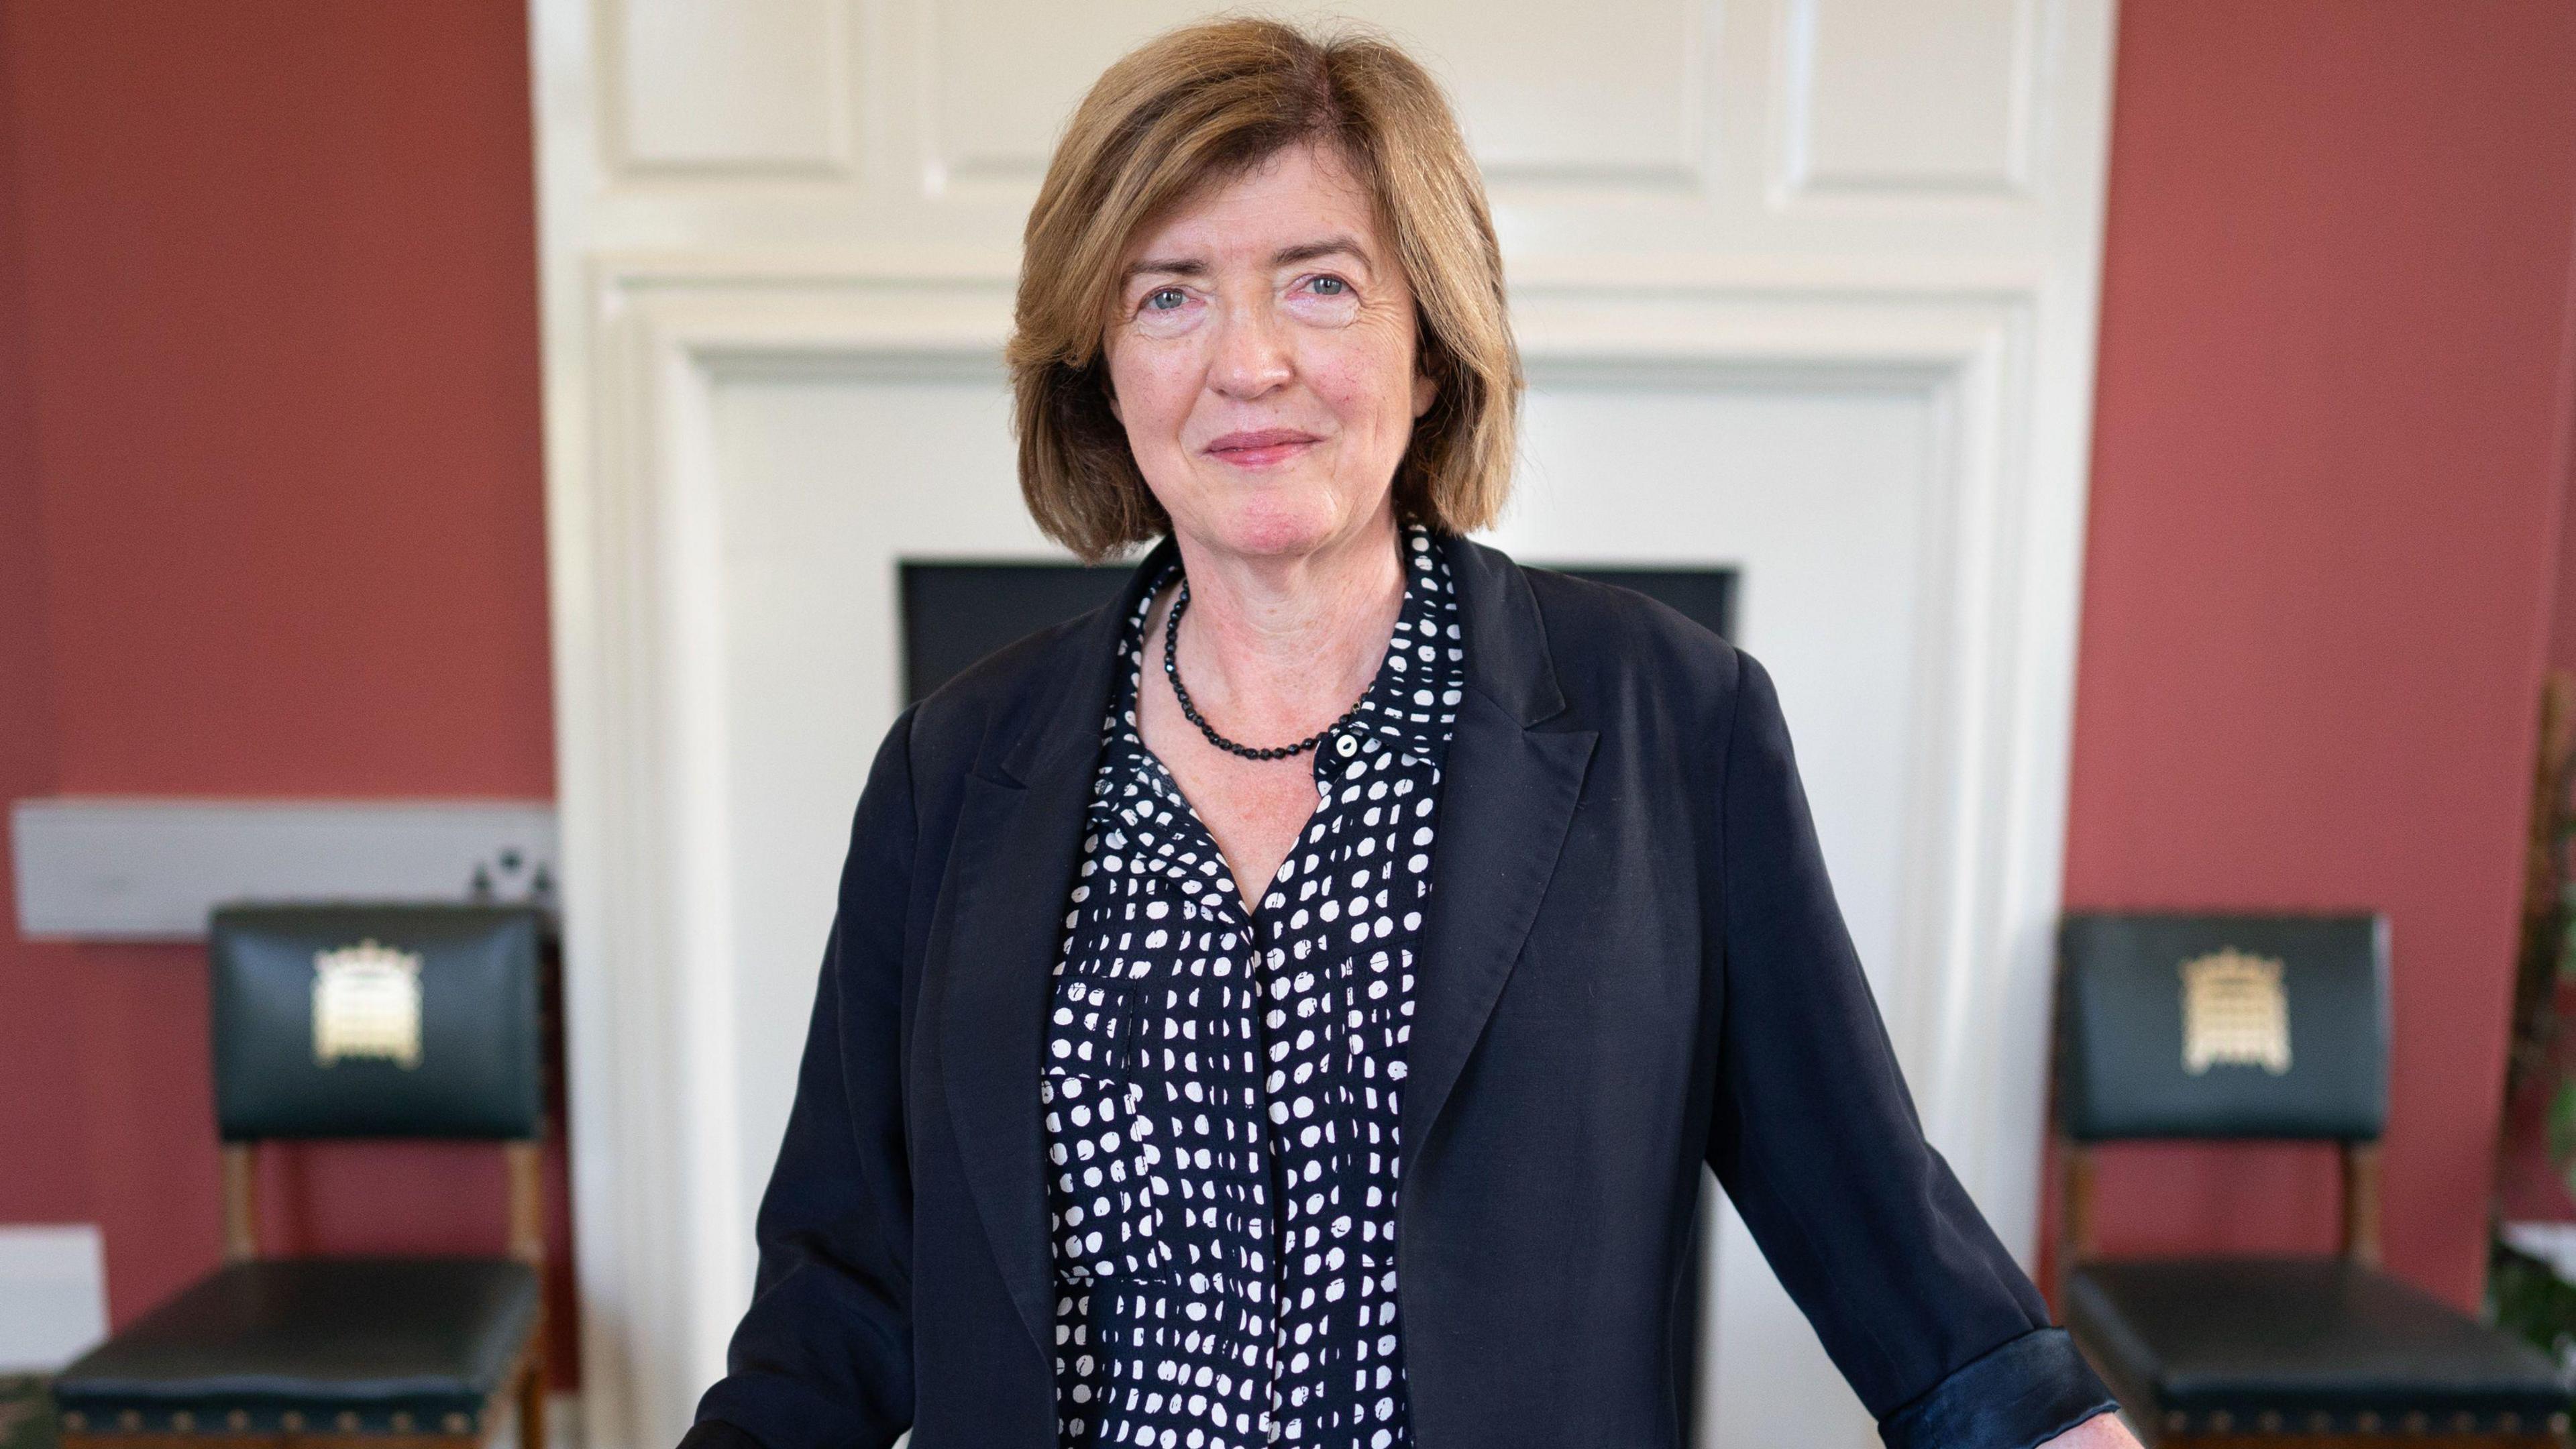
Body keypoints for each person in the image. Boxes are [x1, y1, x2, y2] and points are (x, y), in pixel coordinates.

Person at [677, 16, 2138, 1449]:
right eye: (1168, 296)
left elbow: (1878, 1228)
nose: (1246, 363)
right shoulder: (950, 770)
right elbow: (841, 1298)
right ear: (1101, 373)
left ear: (1433, 344)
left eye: (1319, 285)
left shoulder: (1670, 725)